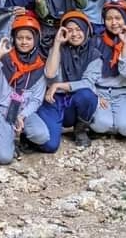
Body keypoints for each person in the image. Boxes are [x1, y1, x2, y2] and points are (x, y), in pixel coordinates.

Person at [0, 15, 51, 164]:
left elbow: (36, 99)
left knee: (41, 136)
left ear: (36, 39)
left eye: (28, 38)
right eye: (19, 38)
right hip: (2, 109)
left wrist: (22, 116)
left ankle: (16, 137)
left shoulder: (39, 65)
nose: (24, 42)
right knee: (4, 158)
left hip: (22, 110)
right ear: (14, 39)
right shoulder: (5, 58)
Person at [37, 12, 101, 150]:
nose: (74, 34)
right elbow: (50, 74)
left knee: (87, 95)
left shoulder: (93, 54)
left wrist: (59, 85)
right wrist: (57, 43)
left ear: (86, 30)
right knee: (50, 145)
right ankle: (32, 135)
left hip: (74, 102)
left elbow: (87, 83)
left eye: (79, 29)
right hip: (53, 101)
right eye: (70, 30)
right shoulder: (57, 50)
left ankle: (80, 130)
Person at [90, 0, 126, 138]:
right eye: (109, 18)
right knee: (100, 125)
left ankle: (118, 121)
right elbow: (89, 74)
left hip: (124, 92)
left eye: (118, 18)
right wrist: (95, 94)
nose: (114, 23)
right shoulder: (96, 41)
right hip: (101, 91)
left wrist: (125, 44)